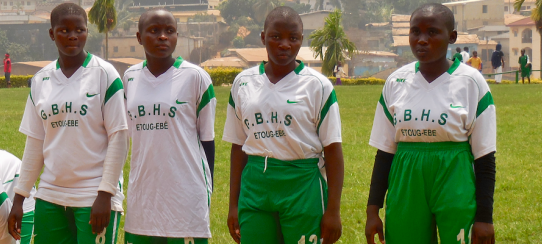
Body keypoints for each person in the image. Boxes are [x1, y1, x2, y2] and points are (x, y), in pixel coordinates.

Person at [365, 4, 496, 244]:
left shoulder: (471, 82)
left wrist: (485, 218)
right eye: (415, 32)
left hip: (454, 176)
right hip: (407, 177)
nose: (422, 40)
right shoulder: (396, 81)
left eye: (432, 32)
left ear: (452, 37)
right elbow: (384, 153)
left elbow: (485, 158)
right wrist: (373, 210)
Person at [7, 3, 128, 244]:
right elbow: (35, 142)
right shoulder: (41, 80)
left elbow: (119, 137)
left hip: (93, 196)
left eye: (79, 30)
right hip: (50, 194)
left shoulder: (105, 74)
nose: (72, 36)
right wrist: (19, 199)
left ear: (86, 32)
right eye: (64, 30)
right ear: (52, 33)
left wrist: (106, 194)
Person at [223, 6, 344, 244]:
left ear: (301, 40)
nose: (284, 44)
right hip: (255, 185)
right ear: (263, 37)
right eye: (275, 37)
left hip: (302, 184)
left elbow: (333, 150)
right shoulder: (243, 83)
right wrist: (233, 204)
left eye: (293, 38)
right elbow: (238, 147)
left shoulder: (317, 85)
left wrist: (333, 211)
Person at [121, 8, 216, 244]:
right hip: (142, 198)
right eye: (154, 31)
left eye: (170, 31)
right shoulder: (129, 77)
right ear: (139, 37)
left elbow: (208, 141)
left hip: (185, 199)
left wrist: (205, 193)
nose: (163, 37)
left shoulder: (196, 77)